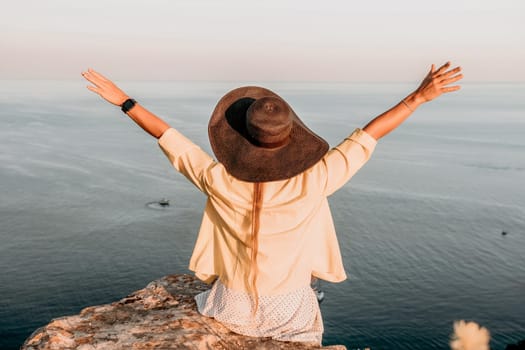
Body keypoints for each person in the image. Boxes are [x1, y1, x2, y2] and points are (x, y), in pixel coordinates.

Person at [81, 62, 462, 345]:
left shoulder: (219, 180)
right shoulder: (315, 180)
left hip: (231, 306)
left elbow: (170, 138)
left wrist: (125, 101)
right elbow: (366, 136)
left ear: (241, 138)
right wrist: (418, 97)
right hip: (290, 309)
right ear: (290, 138)